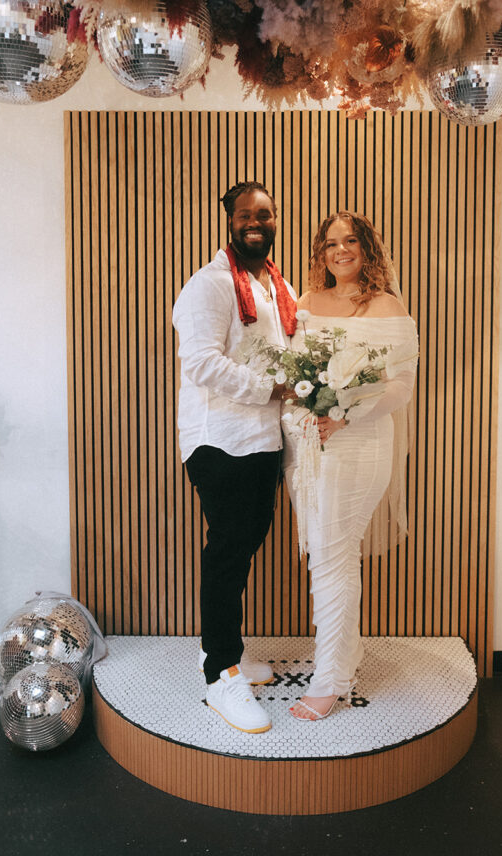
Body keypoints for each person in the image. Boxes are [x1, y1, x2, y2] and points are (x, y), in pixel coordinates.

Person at [282, 212, 418, 721]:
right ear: (321, 251)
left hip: (360, 446)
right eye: (331, 243)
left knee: (334, 555)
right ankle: (345, 661)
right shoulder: (305, 304)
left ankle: (328, 681)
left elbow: (400, 386)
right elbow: (292, 375)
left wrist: (344, 413)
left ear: (367, 250)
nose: (341, 251)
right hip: (310, 449)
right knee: (327, 554)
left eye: (351, 242)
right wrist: (304, 415)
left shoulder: (386, 306)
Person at [172, 181, 297, 734]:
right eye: (245, 214)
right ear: (228, 221)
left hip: (264, 441)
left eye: (264, 214)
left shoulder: (275, 285)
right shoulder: (210, 284)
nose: (256, 221)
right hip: (220, 441)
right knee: (227, 554)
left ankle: (229, 651)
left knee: (245, 547)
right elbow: (200, 362)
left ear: (275, 221)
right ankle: (220, 674)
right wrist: (272, 388)